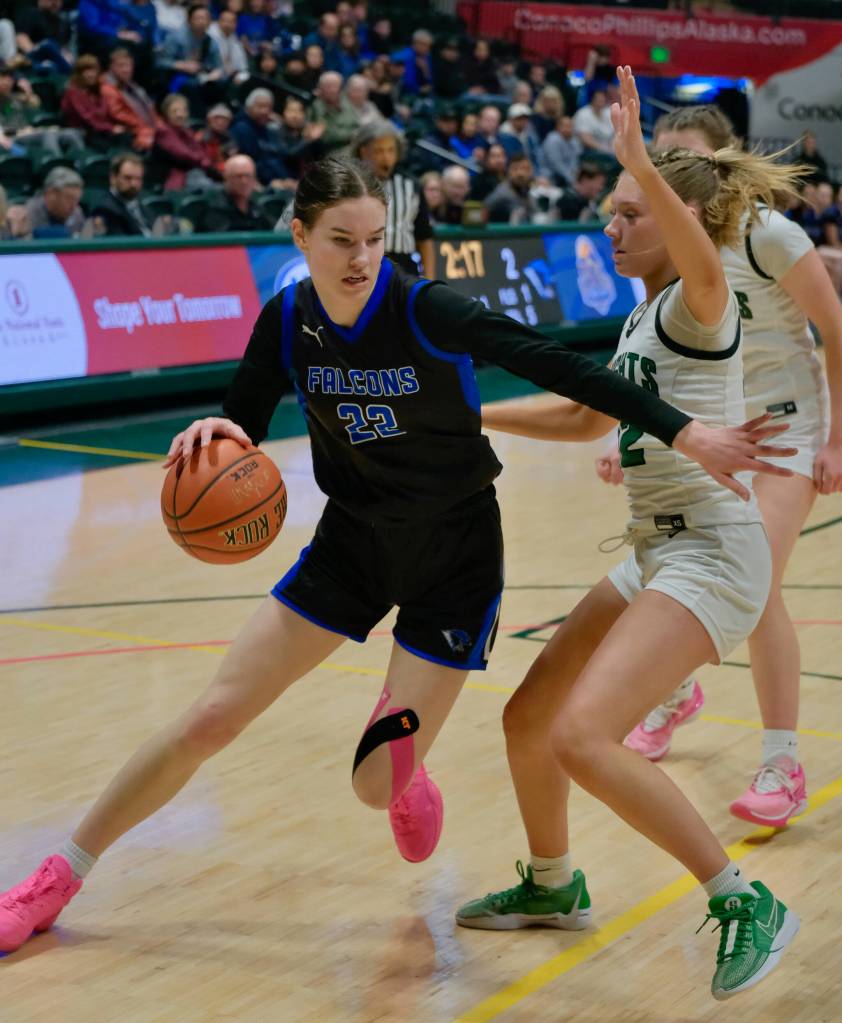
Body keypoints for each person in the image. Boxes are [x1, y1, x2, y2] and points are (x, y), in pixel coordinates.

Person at [0, 152, 786, 957]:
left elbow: (563, 367)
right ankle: (56, 876)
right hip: (351, 544)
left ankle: (406, 772)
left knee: (375, 784)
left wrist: (685, 429)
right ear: (300, 234)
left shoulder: (425, 309)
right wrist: (213, 431)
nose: (361, 258)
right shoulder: (284, 322)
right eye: (341, 239)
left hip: (455, 558)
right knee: (209, 716)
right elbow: (240, 418)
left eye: (375, 238)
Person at [456, 67, 802, 1001]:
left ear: (674, 216)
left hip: (713, 551)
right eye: (611, 212)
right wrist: (473, 412)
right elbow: (583, 420)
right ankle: (552, 882)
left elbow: (698, 253)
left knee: (583, 733)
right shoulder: (645, 318)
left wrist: (644, 163)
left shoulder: (703, 299)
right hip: (658, 548)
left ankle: (742, 899)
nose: (611, 227)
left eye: (628, 213)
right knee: (530, 717)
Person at [602, 105, 842, 825]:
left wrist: (837, 441)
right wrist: (630, 436)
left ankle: (783, 762)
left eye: (674, 165)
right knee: (674, 558)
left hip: (787, 429)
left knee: (756, 577)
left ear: (712, 171)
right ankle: (679, 693)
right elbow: (654, 359)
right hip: (711, 431)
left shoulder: (766, 234)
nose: (660, 180)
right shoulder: (663, 251)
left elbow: (835, 327)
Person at [353, 120, 434, 278]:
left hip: (403, 266)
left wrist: (429, 280)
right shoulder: (349, 185)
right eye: (379, 151)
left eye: (391, 151)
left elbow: (424, 237)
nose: (386, 158)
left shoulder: (411, 185)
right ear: (363, 151)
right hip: (363, 264)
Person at [60, 54, 127, 150]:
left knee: (126, 136)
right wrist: (110, 128)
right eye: (86, 71)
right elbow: (87, 117)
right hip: (83, 133)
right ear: (79, 74)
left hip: (100, 130)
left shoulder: (96, 91)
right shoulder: (73, 92)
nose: (90, 74)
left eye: (93, 71)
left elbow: (104, 113)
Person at [154, 92, 218, 190]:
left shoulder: (186, 131)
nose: (179, 114)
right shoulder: (163, 131)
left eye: (183, 110)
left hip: (195, 173)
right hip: (176, 180)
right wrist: (204, 162)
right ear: (166, 113)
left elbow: (200, 151)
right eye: (174, 111)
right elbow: (184, 155)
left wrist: (205, 162)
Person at [195, 153, 274, 233]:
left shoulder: (257, 210)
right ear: (226, 178)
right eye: (238, 176)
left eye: (248, 176)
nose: (244, 181)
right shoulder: (213, 210)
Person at [100, 47, 159, 152]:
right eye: (121, 66)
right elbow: (119, 114)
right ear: (111, 67)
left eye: (128, 65)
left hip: (147, 128)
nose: (126, 69)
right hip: (130, 133)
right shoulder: (107, 88)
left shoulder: (134, 87)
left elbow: (151, 110)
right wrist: (145, 129)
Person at [230, 87, 291, 188]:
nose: (265, 111)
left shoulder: (268, 128)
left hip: (278, 180)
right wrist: (271, 182)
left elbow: (277, 156)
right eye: (260, 106)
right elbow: (254, 160)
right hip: (257, 183)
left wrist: (285, 179)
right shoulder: (242, 128)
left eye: (268, 107)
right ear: (248, 107)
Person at [90, 152, 153, 236]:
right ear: (113, 178)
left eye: (138, 179)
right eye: (128, 178)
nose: (133, 184)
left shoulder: (145, 210)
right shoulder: (105, 209)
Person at [25, 166, 86, 238]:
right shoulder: (29, 213)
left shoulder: (77, 214)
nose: (73, 205)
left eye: (76, 199)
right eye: (69, 198)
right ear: (51, 194)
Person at [309, 71, 361, 156]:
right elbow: (326, 137)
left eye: (335, 86)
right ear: (321, 88)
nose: (332, 90)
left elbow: (357, 123)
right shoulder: (316, 106)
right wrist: (351, 135)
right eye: (328, 86)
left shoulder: (346, 102)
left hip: (353, 146)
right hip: (330, 151)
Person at [276, 95, 324, 182]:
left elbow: (320, 157)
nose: (295, 115)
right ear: (284, 113)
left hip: (307, 179)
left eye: (299, 111)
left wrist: (317, 138)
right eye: (291, 111)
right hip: (284, 179)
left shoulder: (305, 131)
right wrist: (307, 140)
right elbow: (288, 156)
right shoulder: (276, 131)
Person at [484, 152, 535, 224]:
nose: (520, 173)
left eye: (525, 169)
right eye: (515, 169)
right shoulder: (501, 193)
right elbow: (484, 211)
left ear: (531, 171)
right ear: (508, 171)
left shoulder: (534, 192)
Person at [540, 114, 582, 188]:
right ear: (557, 127)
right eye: (564, 126)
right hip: (550, 176)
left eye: (570, 126)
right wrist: (573, 180)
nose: (568, 129)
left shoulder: (574, 140)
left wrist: (576, 177)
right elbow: (557, 165)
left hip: (566, 177)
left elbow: (576, 159)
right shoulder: (553, 139)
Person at [572, 84, 614, 156]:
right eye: (598, 97)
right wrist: (605, 150)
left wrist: (613, 148)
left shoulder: (608, 111)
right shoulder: (583, 114)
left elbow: (616, 133)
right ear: (592, 99)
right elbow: (585, 139)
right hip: (587, 151)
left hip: (609, 150)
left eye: (603, 97)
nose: (601, 99)